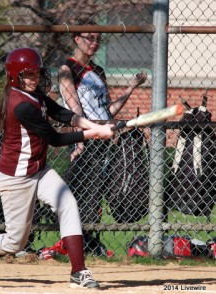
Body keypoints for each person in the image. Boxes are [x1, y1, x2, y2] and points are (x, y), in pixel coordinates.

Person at [0, 47, 115, 289]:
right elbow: (54, 139)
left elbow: (59, 112)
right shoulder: (20, 105)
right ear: (15, 76)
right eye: (29, 74)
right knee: (15, 243)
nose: (35, 79)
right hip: (16, 178)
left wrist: (90, 124)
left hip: (40, 169)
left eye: (37, 73)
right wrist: (94, 133)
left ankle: (79, 271)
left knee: (68, 204)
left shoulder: (34, 94)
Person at [58, 21, 147, 255]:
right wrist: (79, 137)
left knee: (96, 194)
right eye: (89, 38)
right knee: (81, 193)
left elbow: (108, 111)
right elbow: (73, 108)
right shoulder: (68, 69)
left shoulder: (97, 71)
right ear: (77, 39)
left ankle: (89, 244)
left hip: (103, 140)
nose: (94, 43)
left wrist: (131, 87)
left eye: (97, 39)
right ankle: (73, 242)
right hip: (85, 137)